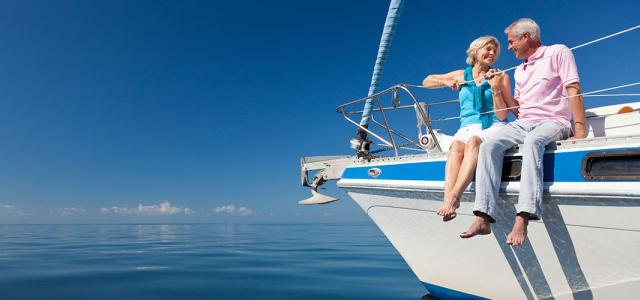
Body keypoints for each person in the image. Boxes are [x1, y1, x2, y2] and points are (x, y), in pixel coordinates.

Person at [460, 18, 587, 246]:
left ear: (526, 37)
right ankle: (483, 217)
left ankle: (523, 217)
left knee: (533, 141)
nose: (508, 48)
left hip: (553, 121)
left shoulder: (558, 51)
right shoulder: (519, 70)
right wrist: (497, 89)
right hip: (524, 122)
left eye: (511, 42)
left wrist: (579, 130)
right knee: (489, 146)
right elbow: (517, 110)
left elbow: (573, 87)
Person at [422, 36, 516, 221]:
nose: (492, 53)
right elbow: (427, 81)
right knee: (456, 147)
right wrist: (445, 82)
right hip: (467, 126)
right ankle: (447, 198)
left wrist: (496, 89)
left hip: (492, 125)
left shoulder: (500, 76)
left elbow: (503, 115)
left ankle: (454, 198)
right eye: (487, 49)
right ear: (475, 51)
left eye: (495, 51)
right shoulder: (460, 75)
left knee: (473, 142)